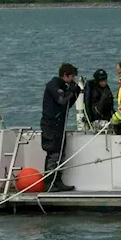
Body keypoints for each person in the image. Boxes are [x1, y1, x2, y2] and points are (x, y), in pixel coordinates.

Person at [41, 62, 81, 192]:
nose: (72, 80)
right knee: (53, 153)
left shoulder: (63, 86)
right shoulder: (53, 85)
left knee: (60, 154)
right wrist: (71, 90)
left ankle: (58, 181)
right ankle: (50, 183)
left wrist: (76, 92)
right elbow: (62, 100)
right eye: (72, 77)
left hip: (59, 125)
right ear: (65, 75)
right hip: (50, 125)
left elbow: (67, 105)